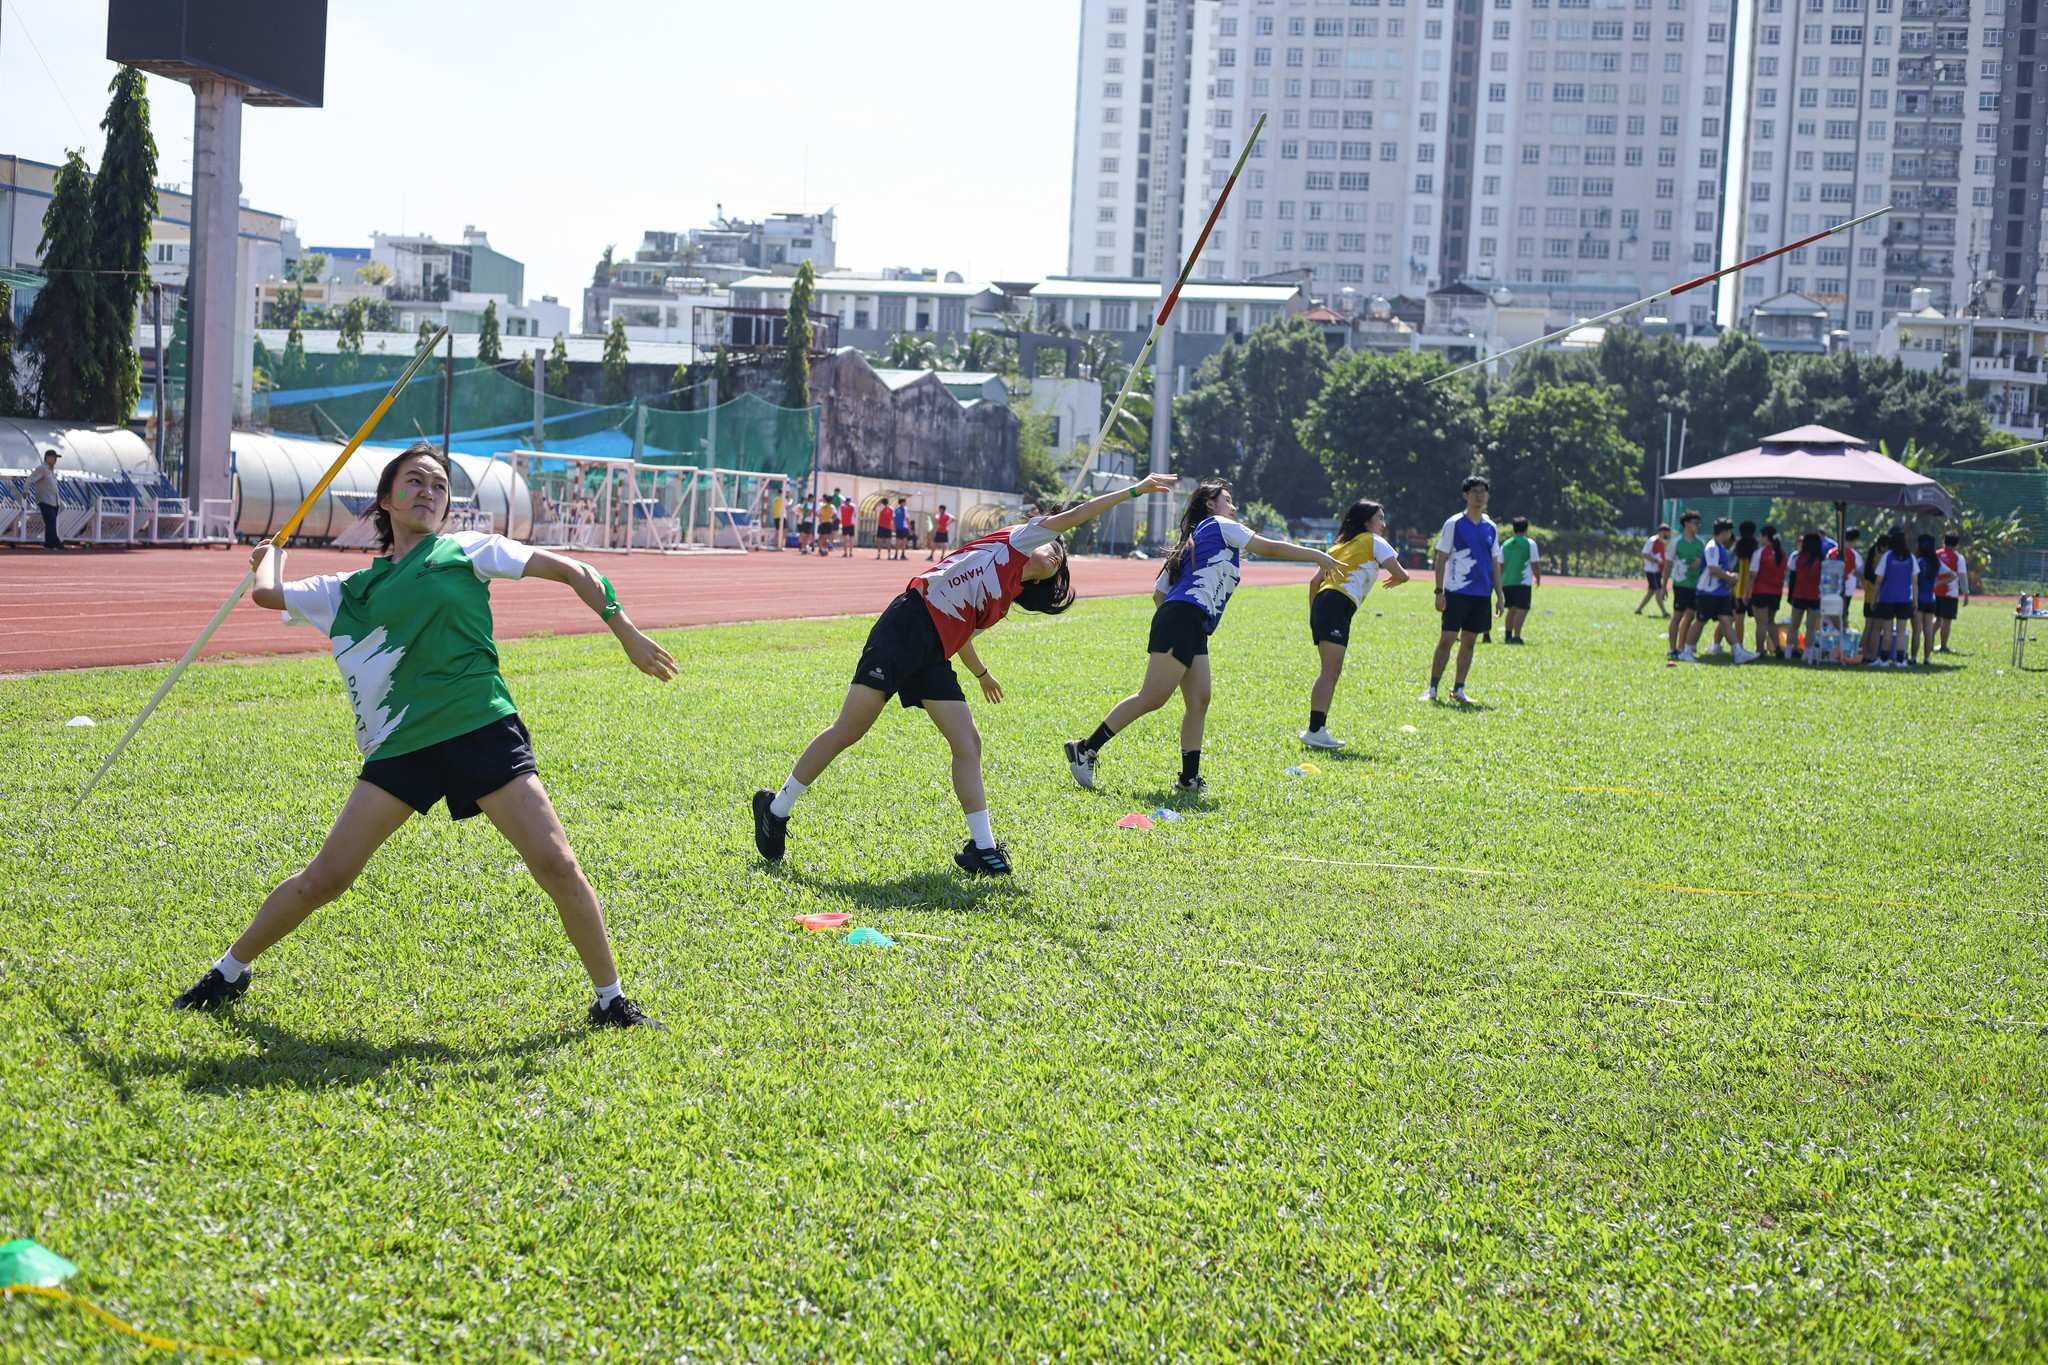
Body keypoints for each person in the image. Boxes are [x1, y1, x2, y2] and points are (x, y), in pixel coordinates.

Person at [170, 443, 677, 1028]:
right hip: (402, 745)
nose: (429, 492)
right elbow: (266, 593)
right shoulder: (350, 590)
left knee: (557, 863)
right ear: (386, 500)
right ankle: (229, 970)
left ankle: (610, 998)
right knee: (326, 878)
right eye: (414, 481)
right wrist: (268, 555)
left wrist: (626, 631)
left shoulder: (467, 549)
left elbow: (572, 570)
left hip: (480, 727)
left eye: (438, 486)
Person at [755, 473, 1180, 876]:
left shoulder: (1003, 598)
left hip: (934, 651)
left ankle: (984, 848)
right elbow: (1074, 516)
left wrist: (982, 674)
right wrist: (1135, 491)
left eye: (1058, 555)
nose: (1052, 550)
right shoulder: (1018, 540)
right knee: (849, 729)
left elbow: (962, 634)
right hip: (906, 626)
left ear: (1050, 576)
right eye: (1051, 544)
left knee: (967, 742)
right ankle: (776, 810)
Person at [1065, 479, 1342, 794]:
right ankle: (1085, 748)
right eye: (1227, 499)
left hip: (1189, 622)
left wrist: (1182, 617)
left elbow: (1159, 594)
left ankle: (1189, 779)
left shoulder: (1195, 540)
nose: (1233, 507)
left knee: (1199, 699)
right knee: (1153, 697)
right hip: (1183, 618)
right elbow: (1270, 547)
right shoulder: (1220, 524)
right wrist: (1317, 556)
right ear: (1210, 504)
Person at [1301, 498, 1408, 749]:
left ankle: (1317, 728)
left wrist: (1314, 614)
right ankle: (1315, 730)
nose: (1383, 524)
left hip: (1324, 604)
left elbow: (1313, 583)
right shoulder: (1374, 541)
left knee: (1329, 670)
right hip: (1338, 605)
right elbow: (1401, 573)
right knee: (1331, 671)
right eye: (1380, 518)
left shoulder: (1339, 546)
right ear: (1366, 521)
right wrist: (1400, 578)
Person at [1423, 476, 1499, 703]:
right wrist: (1439, 591)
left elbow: (1494, 562)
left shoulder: (1490, 527)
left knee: (1469, 642)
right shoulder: (1454, 523)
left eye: (1483, 492)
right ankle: (1433, 688)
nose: (1479, 496)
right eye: (1474, 491)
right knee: (1447, 639)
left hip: (1482, 594)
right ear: (1466, 495)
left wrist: (1500, 594)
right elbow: (1442, 557)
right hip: (1457, 592)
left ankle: (1459, 689)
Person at [1680, 518, 1757, 663]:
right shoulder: (1712, 547)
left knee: (1727, 621)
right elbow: (1713, 568)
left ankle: (1738, 652)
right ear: (1725, 532)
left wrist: (1729, 577)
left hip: (1720, 593)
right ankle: (1687, 651)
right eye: (1729, 531)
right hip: (1708, 592)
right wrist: (1730, 577)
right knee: (1700, 621)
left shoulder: (1720, 547)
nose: (1730, 535)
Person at [1870, 525, 1918, 667]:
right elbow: (1915, 583)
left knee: (1887, 630)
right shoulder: (1911, 558)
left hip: (1887, 598)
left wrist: (1874, 599)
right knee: (1902, 631)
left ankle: (1884, 660)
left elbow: (1878, 581)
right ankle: (1900, 660)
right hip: (1905, 599)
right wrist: (1915, 602)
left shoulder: (1887, 557)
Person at [1783, 530, 1827, 662]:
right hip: (1815, 596)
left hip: (1799, 594)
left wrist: (1790, 596)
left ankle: (1788, 652)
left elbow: (1792, 577)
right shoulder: (1821, 561)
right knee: (1811, 628)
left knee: (1794, 626)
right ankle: (1807, 654)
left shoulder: (1797, 558)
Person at [1497, 515, 1540, 645]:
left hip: (1507, 582)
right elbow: (1534, 563)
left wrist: (1499, 581)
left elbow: (1500, 565)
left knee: (1511, 609)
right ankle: (1517, 636)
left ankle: (1508, 636)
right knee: (1522, 609)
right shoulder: (1530, 543)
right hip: (1522, 582)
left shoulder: (1506, 544)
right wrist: (1538, 577)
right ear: (1526, 528)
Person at [1667, 510, 1704, 659]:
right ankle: (1672, 648)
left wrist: (1700, 563)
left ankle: (1682, 648)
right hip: (1681, 585)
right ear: (1686, 524)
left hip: (1696, 586)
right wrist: (1664, 586)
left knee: (1689, 617)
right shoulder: (1676, 542)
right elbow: (1668, 565)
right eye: (1695, 523)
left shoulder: (1700, 542)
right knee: (1677, 616)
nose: (1697, 526)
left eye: (1698, 523)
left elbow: (1705, 562)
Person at [1746, 523, 1788, 658]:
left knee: (1761, 623)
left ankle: (1760, 650)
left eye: (1761, 536)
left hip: (1760, 592)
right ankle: (1777, 648)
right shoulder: (1782, 554)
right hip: (1776, 593)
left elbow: (1752, 575)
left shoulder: (1760, 553)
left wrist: (1747, 593)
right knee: (1771, 621)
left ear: (1765, 537)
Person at [1728, 521, 1758, 654]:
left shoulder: (1737, 546)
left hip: (1739, 587)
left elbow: (1731, 565)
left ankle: (1739, 645)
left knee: (1738, 619)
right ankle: (1761, 647)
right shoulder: (1756, 547)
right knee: (1761, 620)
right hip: (1753, 588)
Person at [1934, 530, 1967, 652]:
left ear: (1944, 540)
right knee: (1947, 621)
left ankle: (1929, 641)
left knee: (1937, 619)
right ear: (1957, 543)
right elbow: (1962, 576)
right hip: (1950, 593)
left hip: (1936, 591)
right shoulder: (1959, 557)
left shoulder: (1936, 554)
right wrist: (1966, 593)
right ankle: (1943, 646)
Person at [1913, 531, 1941, 665]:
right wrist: (1937, 584)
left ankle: (1913, 658)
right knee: (1928, 630)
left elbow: (1914, 582)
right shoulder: (1935, 563)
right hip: (1931, 599)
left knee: (1917, 630)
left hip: (1919, 599)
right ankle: (1926, 658)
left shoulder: (1917, 562)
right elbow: (1952, 575)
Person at [30, 448, 63, 551]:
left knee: (50, 523)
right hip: (44, 500)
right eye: (54, 458)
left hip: (53, 501)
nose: (55, 460)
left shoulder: (51, 471)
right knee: (51, 521)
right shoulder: (42, 469)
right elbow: (30, 479)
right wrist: (26, 490)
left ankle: (49, 544)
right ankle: (56, 542)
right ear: (48, 458)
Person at [1636, 523, 1670, 616]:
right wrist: (1655, 561)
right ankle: (1664, 612)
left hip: (1657, 571)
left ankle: (1638, 609)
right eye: (1665, 532)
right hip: (1652, 571)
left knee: (1651, 592)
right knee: (1657, 591)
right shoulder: (1652, 540)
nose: (1667, 534)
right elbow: (1644, 554)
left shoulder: (1662, 542)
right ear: (1661, 531)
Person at [838, 491, 857, 558]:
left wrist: (840, 523)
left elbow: (839, 516)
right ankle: (851, 553)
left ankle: (845, 553)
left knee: (845, 539)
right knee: (851, 538)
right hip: (851, 524)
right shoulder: (853, 506)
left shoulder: (841, 506)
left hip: (845, 524)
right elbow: (855, 515)